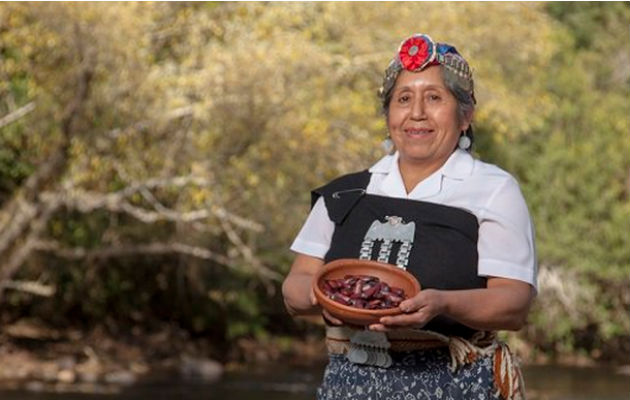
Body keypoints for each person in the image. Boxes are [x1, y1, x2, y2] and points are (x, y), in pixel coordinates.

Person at [282, 33, 537, 400]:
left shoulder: (494, 190)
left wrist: (443, 304)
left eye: (434, 98)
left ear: (465, 115)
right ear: (388, 116)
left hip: (453, 387)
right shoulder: (346, 193)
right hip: (348, 387)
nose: (417, 112)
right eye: (403, 99)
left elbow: (514, 304)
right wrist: (321, 296)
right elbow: (294, 287)